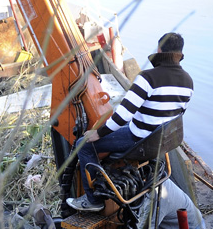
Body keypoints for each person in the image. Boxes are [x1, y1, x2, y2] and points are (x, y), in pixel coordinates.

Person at [67, 32, 193, 212]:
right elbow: (177, 115)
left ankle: (94, 198)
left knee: (83, 144)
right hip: (161, 141)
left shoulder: (148, 77)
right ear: (180, 53)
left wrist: (98, 133)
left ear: (159, 50)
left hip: (140, 140)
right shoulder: (188, 82)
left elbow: (123, 115)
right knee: (124, 127)